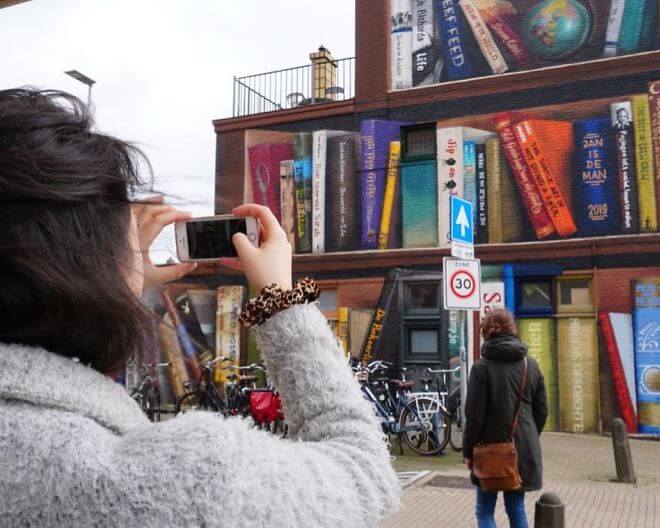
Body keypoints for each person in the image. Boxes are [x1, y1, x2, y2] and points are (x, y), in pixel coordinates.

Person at [0, 88, 400, 527]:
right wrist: (281, 302)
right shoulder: (180, 484)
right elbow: (362, 472)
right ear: (100, 262)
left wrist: (115, 283)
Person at [463, 309, 548, 528]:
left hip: (488, 451)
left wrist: (468, 452)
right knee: (516, 508)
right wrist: (527, 436)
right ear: (512, 329)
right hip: (522, 450)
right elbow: (542, 411)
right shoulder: (531, 364)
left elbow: (474, 418)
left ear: (485, 332)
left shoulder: (481, 368)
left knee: (484, 511)